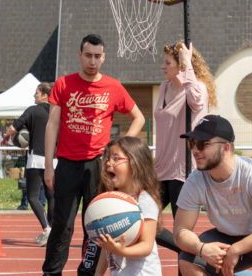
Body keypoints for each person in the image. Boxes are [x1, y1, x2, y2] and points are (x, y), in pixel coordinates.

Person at [42, 34, 145, 276]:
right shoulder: (63, 84)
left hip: (98, 167)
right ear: (80, 56)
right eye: (88, 55)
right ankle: (51, 272)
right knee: (61, 225)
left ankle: (88, 272)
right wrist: (49, 166)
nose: (92, 61)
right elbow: (52, 125)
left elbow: (139, 118)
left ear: (104, 58)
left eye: (97, 56)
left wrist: (118, 150)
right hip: (67, 164)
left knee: (97, 225)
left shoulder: (113, 87)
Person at [173, 115, 252, 276]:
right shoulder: (195, 181)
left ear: (226, 148)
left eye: (203, 144)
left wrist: (237, 249)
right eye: (192, 143)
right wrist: (202, 248)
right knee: (187, 261)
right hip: (228, 235)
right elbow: (180, 230)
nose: (195, 150)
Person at [154, 41, 217, 252]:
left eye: (167, 63)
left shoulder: (196, 88)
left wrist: (187, 63)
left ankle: (190, 256)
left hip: (182, 171)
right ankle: (192, 252)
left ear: (180, 65)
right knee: (143, 221)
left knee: (181, 230)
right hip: (160, 169)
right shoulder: (164, 87)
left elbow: (197, 101)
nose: (162, 67)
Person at [94, 136, 162, 276]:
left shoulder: (144, 201)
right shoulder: (111, 200)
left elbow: (146, 246)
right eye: (108, 158)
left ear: (135, 163)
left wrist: (121, 251)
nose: (108, 163)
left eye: (116, 158)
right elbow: (106, 248)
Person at [6, 82, 56, 247]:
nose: (34, 96)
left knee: (33, 196)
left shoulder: (32, 110)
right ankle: (51, 232)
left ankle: (47, 229)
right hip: (55, 159)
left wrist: (8, 134)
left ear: (44, 95)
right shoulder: (58, 111)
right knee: (51, 197)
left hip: (37, 158)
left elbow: (14, 128)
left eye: (36, 93)